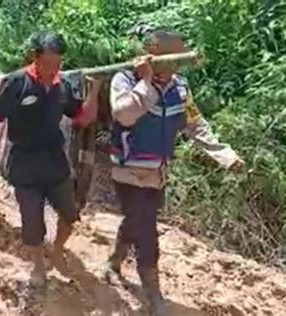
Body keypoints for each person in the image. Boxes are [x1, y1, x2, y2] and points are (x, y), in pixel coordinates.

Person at [104, 30, 244, 315]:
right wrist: (147, 83)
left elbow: (195, 123)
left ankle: (114, 260)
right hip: (129, 170)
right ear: (154, 54)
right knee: (147, 231)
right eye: (172, 57)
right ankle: (153, 293)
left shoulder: (180, 87)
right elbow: (124, 114)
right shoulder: (125, 79)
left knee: (136, 221)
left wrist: (224, 154)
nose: (176, 67)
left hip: (157, 172)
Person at [0, 31, 101, 287]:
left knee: (69, 215)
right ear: (35, 57)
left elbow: (84, 118)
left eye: (57, 64)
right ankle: (38, 266)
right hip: (24, 163)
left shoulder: (62, 86)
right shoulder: (16, 82)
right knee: (32, 222)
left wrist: (94, 91)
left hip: (55, 161)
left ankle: (56, 250)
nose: (52, 69)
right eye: (47, 63)